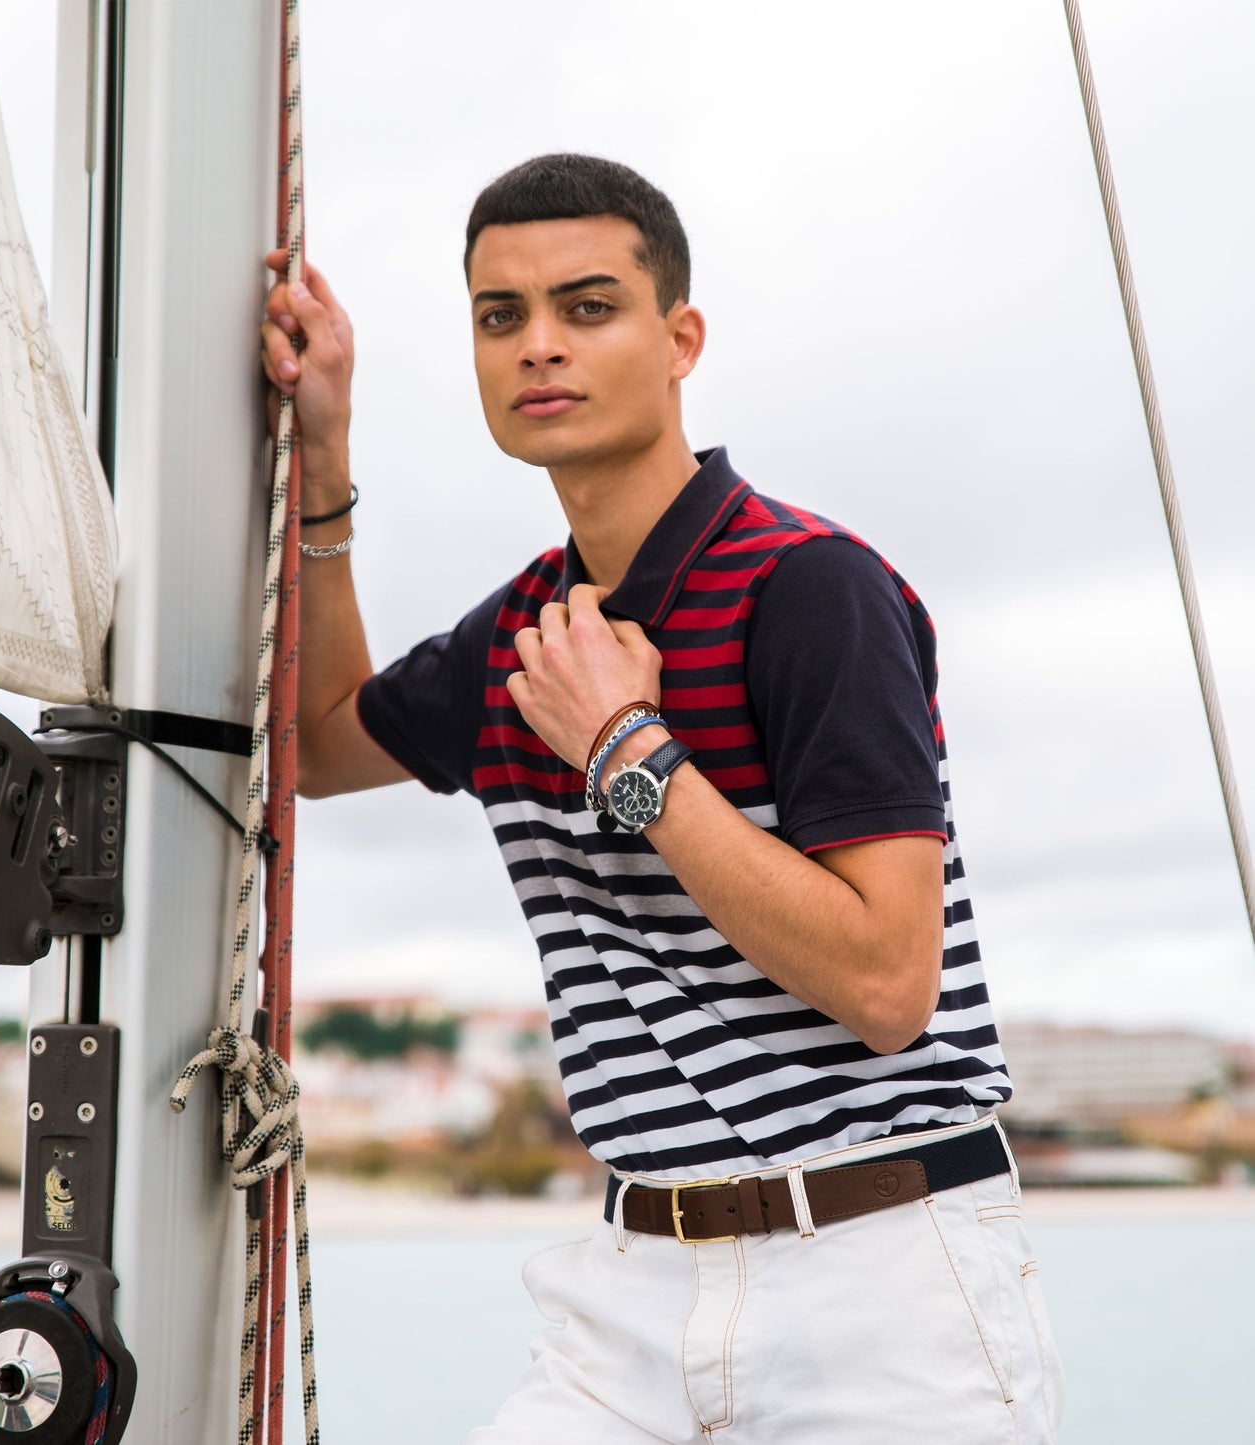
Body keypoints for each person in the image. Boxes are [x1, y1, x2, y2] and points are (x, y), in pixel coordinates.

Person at [260, 153, 1063, 1444]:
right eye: (498, 316)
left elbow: (885, 980)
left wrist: (629, 753)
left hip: (881, 1281)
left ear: (679, 337)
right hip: (628, 1288)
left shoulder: (811, 591)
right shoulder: (520, 634)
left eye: (587, 307)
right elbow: (309, 741)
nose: (538, 348)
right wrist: (324, 456)